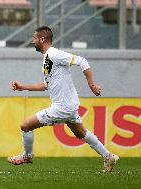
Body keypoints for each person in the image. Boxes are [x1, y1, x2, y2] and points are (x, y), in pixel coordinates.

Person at [7, 26, 119, 173]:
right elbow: (46, 84)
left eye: (34, 38)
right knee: (81, 133)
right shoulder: (47, 58)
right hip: (69, 105)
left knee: (25, 126)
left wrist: (91, 84)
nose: (32, 41)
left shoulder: (54, 54)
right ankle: (108, 156)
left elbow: (82, 61)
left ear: (42, 39)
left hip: (63, 107)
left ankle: (27, 156)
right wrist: (23, 87)